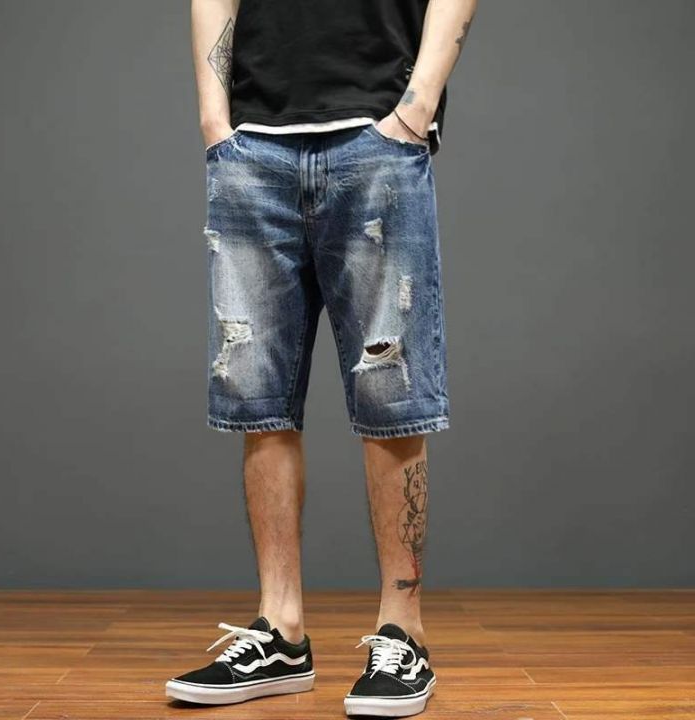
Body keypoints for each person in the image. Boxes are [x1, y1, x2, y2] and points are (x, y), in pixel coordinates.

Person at [165, 0, 476, 716]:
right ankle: (280, 632)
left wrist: (417, 106)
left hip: (378, 136)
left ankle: (403, 632)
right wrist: (215, 119)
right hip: (253, 145)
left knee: (392, 397)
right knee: (258, 396)